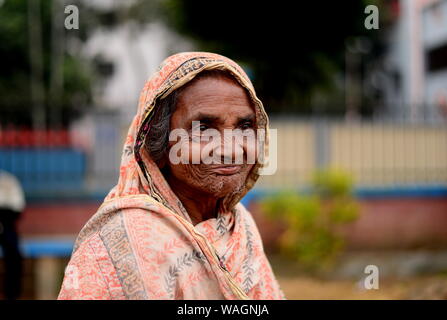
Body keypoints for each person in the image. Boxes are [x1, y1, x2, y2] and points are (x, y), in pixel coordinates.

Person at [58, 52, 285, 300]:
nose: (231, 149)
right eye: (204, 128)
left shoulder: (239, 224)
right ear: (159, 140)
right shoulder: (123, 238)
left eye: (244, 127)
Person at [0, 170, 25, 300]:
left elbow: (17, 208)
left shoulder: (9, 181)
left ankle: (12, 294)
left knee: (14, 255)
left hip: (7, 223)